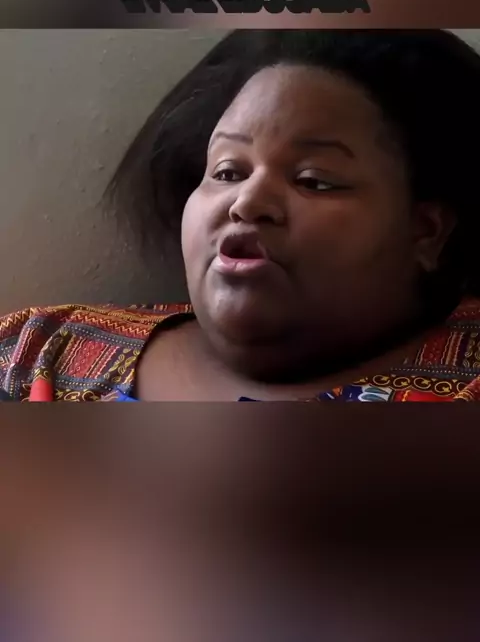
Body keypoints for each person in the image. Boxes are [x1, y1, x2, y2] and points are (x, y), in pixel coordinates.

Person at [2, 28, 480, 402]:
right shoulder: (36, 350)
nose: (247, 203)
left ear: (426, 232)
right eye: (228, 172)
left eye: (313, 180)